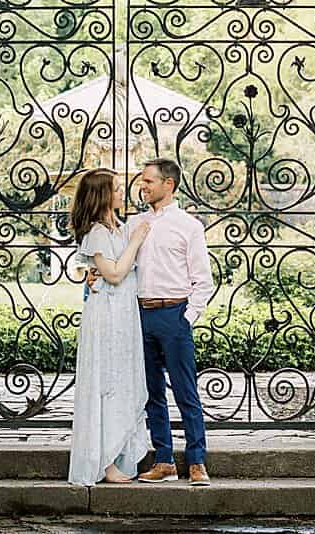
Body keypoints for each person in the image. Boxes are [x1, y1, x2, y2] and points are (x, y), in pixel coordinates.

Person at [123, 158, 214, 486]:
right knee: (152, 393)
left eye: (149, 181)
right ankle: (163, 461)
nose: (143, 186)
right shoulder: (134, 224)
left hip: (175, 315)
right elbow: (121, 266)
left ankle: (197, 462)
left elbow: (203, 279)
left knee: (186, 392)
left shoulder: (189, 226)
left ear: (169, 184)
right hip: (142, 315)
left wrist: (186, 319)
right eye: (143, 181)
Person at [66, 168, 151, 485]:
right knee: (107, 382)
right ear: (102, 195)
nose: (121, 192)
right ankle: (103, 461)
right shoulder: (97, 232)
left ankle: (117, 452)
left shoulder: (117, 228)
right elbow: (114, 274)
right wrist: (137, 242)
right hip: (106, 315)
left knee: (122, 381)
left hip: (123, 313)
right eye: (115, 188)